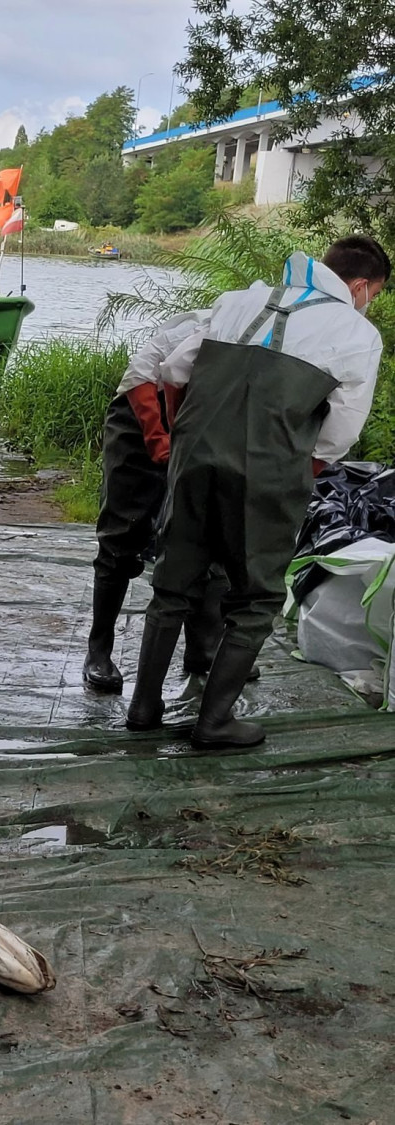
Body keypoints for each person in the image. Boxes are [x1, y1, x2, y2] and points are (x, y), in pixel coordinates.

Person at [126, 237, 389, 748]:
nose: (368, 303)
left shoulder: (240, 300)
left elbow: (174, 370)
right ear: (359, 286)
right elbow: (341, 434)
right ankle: (214, 721)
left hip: (194, 455)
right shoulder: (357, 332)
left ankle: (143, 706)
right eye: (372, 294)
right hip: (269, 467)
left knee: (173, 582)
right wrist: (296, 467)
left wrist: (191, 439)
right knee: (257, 596)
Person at [84, 310, 241, 692]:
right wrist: (162, 443)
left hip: (200, 420)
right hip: (141, 412)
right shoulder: (218, 325)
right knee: (124, 532)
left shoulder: (287, 342)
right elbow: (147, 377)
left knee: (208, 535)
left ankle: (203, 651)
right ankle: (99, 651)